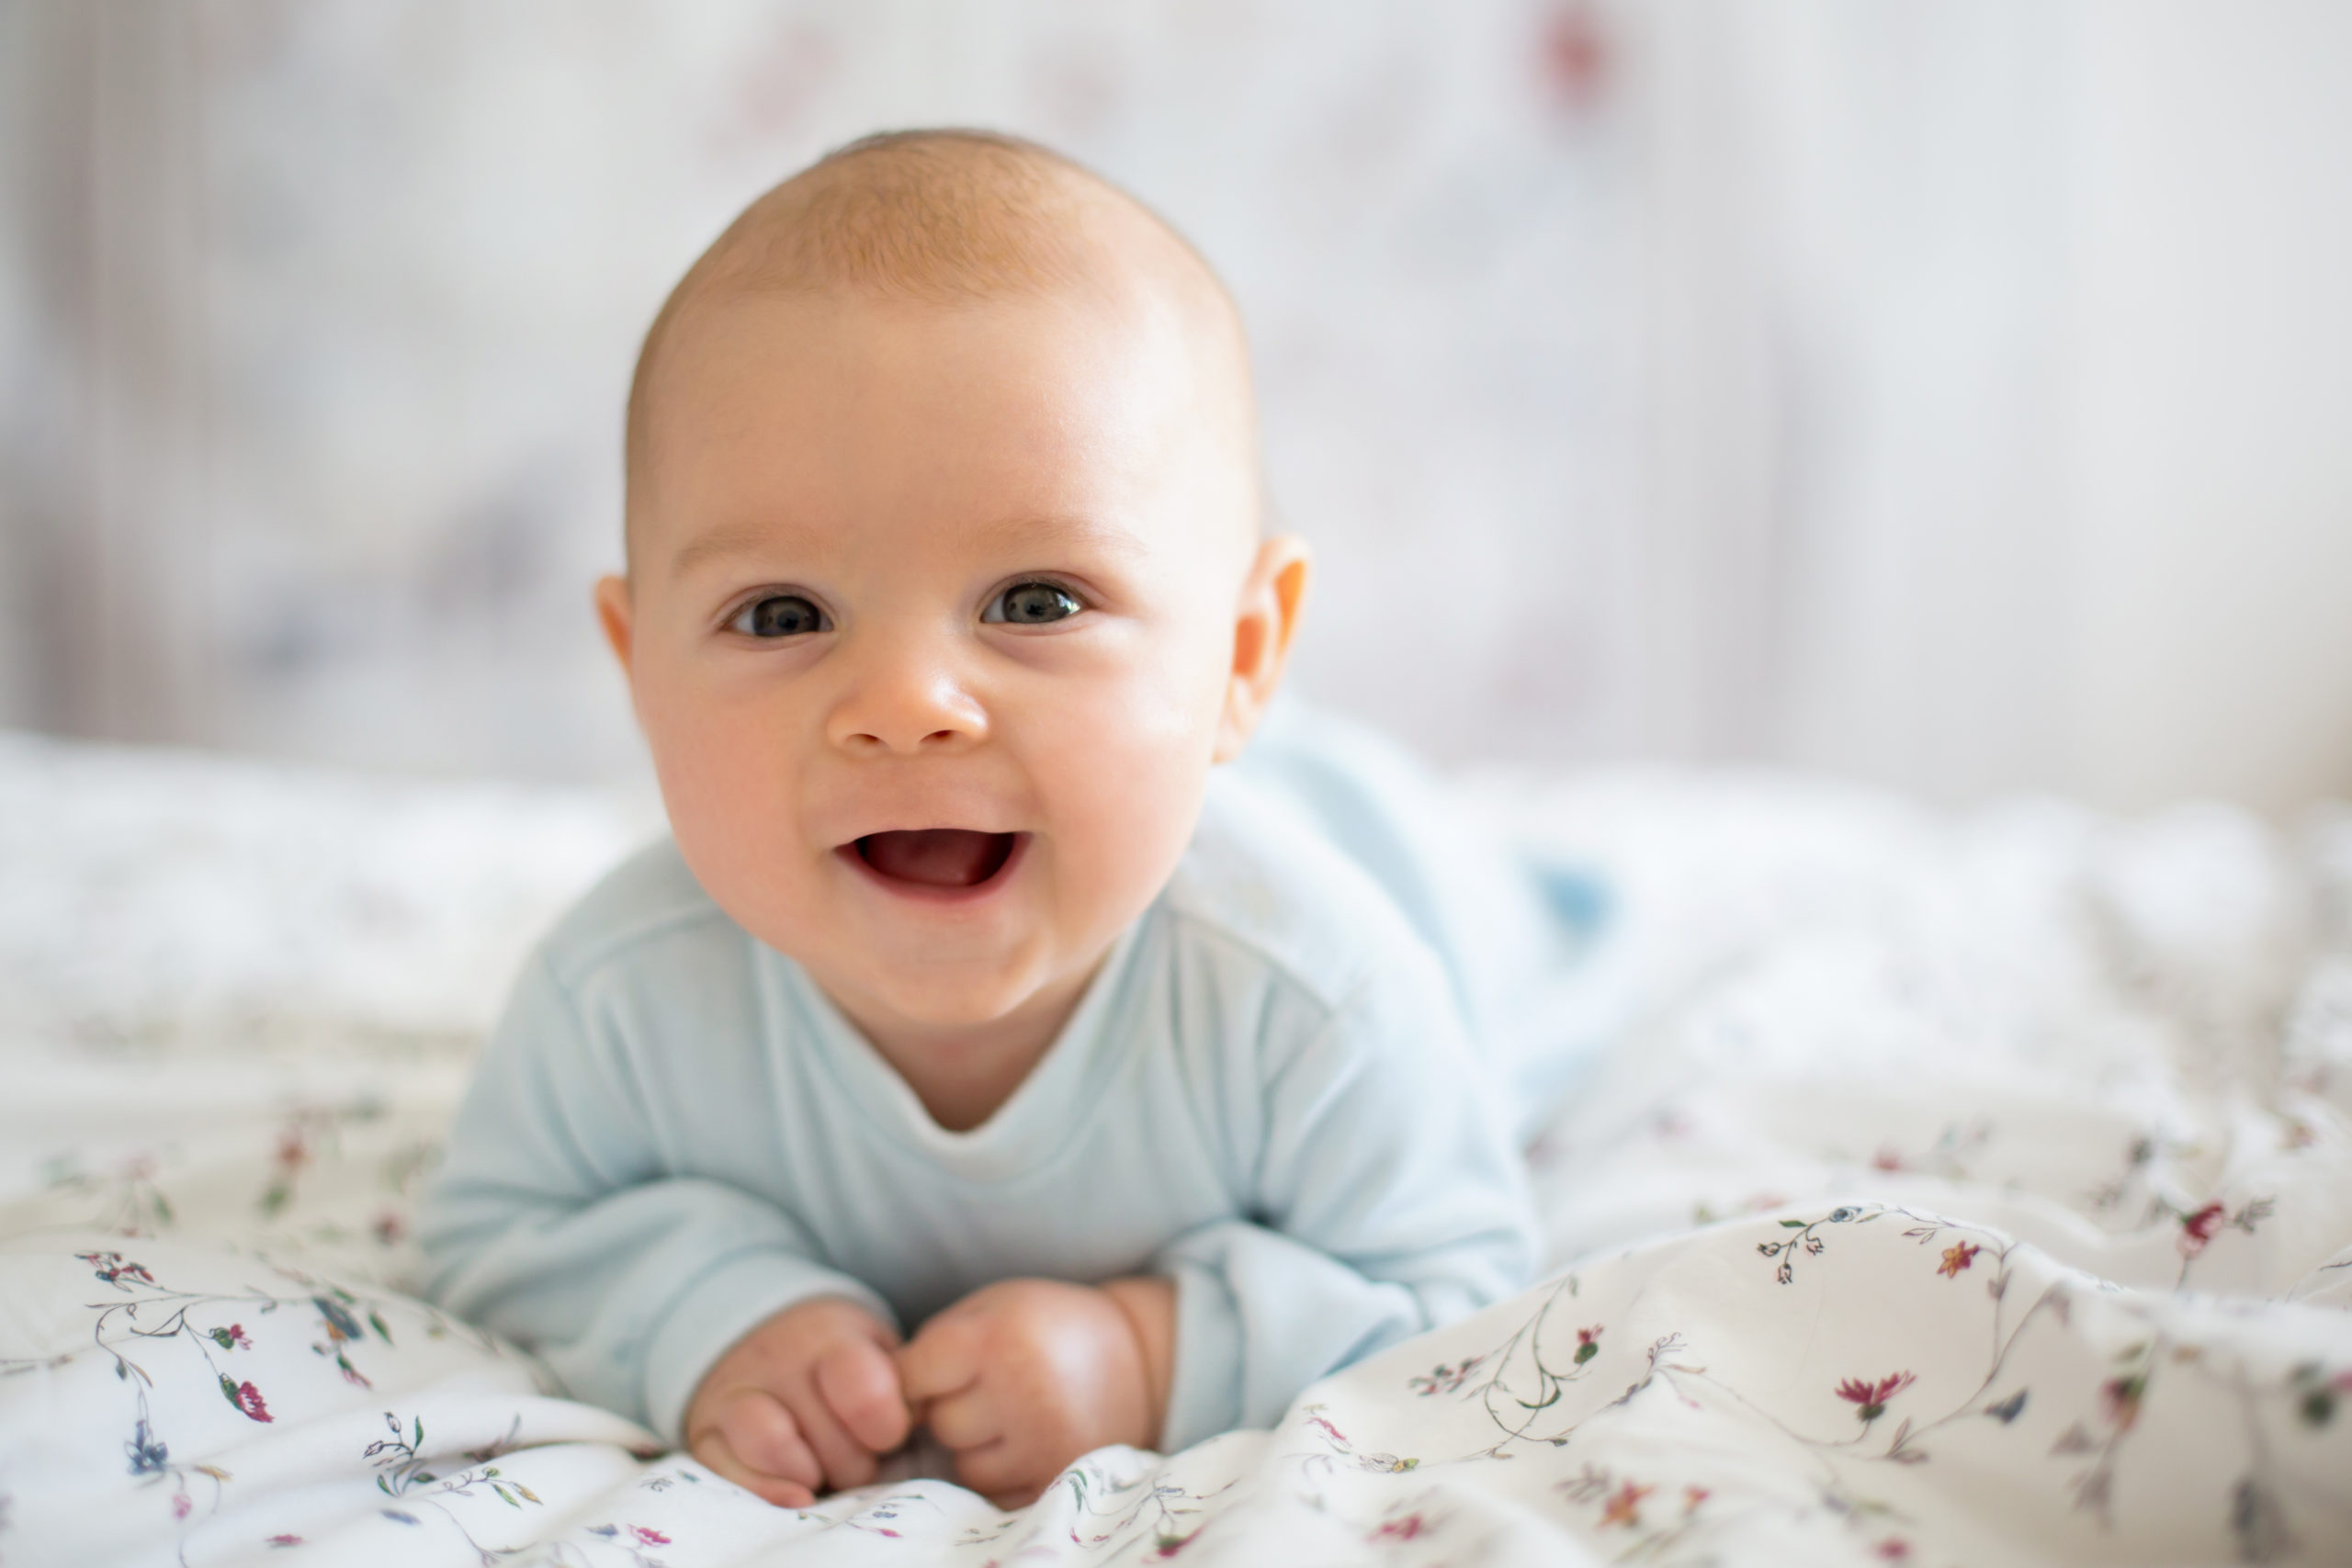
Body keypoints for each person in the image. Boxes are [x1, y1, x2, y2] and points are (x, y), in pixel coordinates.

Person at [417, 130, 1553, 1512]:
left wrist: (1151, 1352)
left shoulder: (1315, 992)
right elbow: (496, 1236)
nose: (903, 706)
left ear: (1244, 660)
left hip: (1394, 867)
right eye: (783, 616)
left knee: (1510, 925)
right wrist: (714, 1311)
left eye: (1035, 600)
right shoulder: (623, 998)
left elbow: (1463, 1284)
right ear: (638, 665)